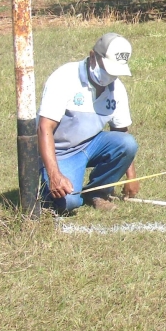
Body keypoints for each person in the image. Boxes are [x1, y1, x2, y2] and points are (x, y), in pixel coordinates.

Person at [38, 32, 140, 213]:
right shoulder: (64, 77)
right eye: (108, 69)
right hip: (60, 152)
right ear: (93, 57)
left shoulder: (117, 89)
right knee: (67, 203)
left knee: (128, 143)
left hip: (91, 144)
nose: (111, 77)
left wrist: (131, 176)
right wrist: (55, 175)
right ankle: (48, 185)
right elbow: (44, 127)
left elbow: (121, 133)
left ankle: (97, 192)